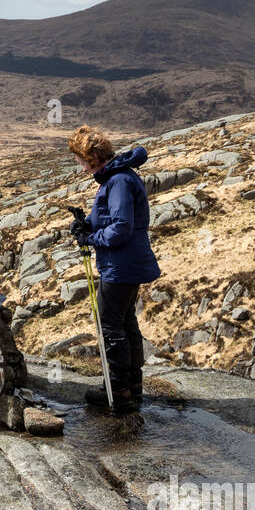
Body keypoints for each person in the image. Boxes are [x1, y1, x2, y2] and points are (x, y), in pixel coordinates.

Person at [66, 125, 161, 418]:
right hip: (126, 264)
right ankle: (132, 385)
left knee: (111, 325)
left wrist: (90, 238)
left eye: (81, 160)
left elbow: (121, 227)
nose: (80, 166)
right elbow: (110, 219)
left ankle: (118, 391)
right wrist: (88, 223)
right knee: (125, 321)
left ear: (92, 157)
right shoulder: (117, 177)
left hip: (121, 267)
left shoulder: (118, 181)